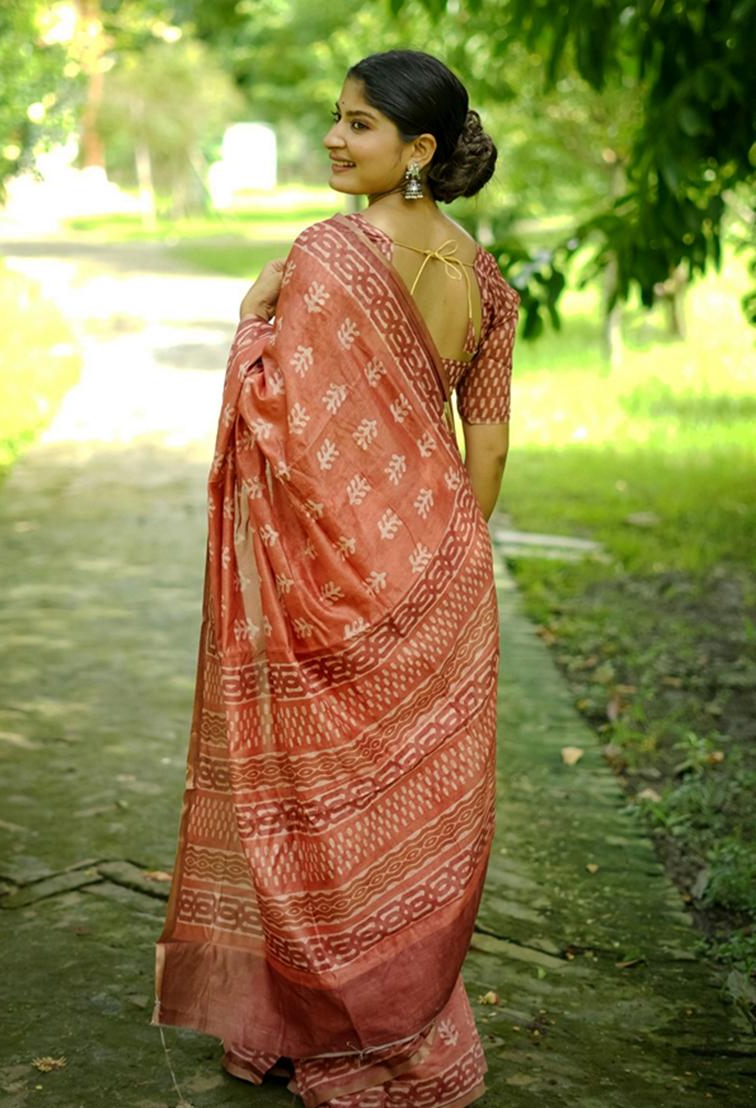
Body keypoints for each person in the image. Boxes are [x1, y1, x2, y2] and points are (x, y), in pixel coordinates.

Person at [152, 48, 520, 1108]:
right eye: (335, 116)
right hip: (440, 574)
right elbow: (485, 449)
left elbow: (281, 425)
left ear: (417, 151)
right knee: (411, 819)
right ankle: (396, 1034)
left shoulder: (321, 258)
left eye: (358, 124)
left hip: (327, 576)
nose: (332, 136)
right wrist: (436, 558)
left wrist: (252, 316)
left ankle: (305, 1030)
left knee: (309, 811)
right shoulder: (486, 282)